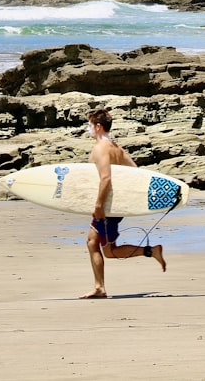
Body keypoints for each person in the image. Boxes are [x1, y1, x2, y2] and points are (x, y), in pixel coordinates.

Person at [80, 108, 166, 299]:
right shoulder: (117, 148)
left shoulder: (101, 149)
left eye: (90, 125)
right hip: (115, 205)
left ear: (98, 126)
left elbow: (105, 178)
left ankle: (100, 287)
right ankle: (150, 252)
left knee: (100, 247)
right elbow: (135, 172)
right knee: (101, 246)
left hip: (108, 207)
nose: (88, 129)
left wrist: (99, 205)